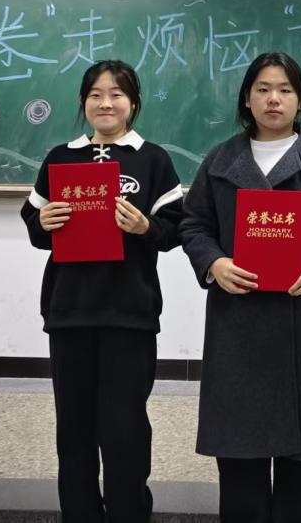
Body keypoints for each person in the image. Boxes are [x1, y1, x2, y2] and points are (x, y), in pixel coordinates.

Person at [180, 51, 301, 523]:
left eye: (285, 90)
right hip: (237, 327)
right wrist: (214, 262)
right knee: (240, 463)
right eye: (262, 89)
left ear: (300, 100)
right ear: (247, 98)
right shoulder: (221, 159)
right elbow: (193, 224)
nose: (273, 99)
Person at [20, 59, 183, 523]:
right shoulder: (60, 158)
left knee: (124, 426)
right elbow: (34, 226)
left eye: (116, 94)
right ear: (82, 102)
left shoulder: (152, 159)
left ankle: (129, 512)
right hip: (69, 312)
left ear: (134, 103)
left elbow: (175, 230)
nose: (105, 103)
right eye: (95, 94)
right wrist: (43, 221)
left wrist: (146, 226)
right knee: (73, 429)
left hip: (129, 314)